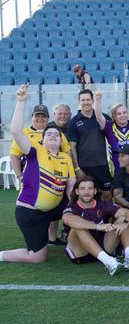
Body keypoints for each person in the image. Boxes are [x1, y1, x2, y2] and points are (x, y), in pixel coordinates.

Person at [0, 84, 75, 264]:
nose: (52, 136)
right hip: (31, 213)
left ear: (60, 139)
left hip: (51, 212)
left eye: (56, 134)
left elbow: (71, 185)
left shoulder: (65, 158)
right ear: (42, 140)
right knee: (37, 257)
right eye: (48, 134)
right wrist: (21, 101)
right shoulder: (36, 152)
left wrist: (75, 208)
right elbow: (16, 131)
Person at [9, 104, 72, 245]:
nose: (40, 119)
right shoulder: (24, 133)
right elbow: (14, 156)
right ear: (32, 117)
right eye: (37, 116)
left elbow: (67, 152)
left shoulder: (56, 132)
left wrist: (72, 171)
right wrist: (19, 176)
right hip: (34, 178)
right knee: (36, 205)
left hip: (56, 177)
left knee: (55, 205)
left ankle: (52, 237)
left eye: (43, 116)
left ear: (48, 118)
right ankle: (37, 237)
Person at [62, 177, 129, 276]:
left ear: (95, 191)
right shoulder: (72, 207)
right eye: (82, 188)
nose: (86, 192)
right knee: (77, 227)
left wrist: (124, 224)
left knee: (124, 219)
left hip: (105, 247)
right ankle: (108, 262)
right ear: (77, 191)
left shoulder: (103, 205)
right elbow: (68, 219)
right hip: (81, 254)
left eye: (90, 188)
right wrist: (97, 226)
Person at [68, 89, 112, 200]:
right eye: (83, 100)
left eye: (88, 99)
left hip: (102, 165)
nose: (86, 102)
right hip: (84, 167)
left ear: (92, 101)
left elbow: (119, 128)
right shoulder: (74, 122)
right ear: (79, 101)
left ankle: (106, 218)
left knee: (107, 194)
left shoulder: (103, 117)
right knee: (87, 196)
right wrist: (77, 168)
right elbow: (72, 147)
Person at [94, 92, 129, 172]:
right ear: (114, 116)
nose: (122, 115)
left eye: (124, 112)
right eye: (119, 114)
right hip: (119, 171)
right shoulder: (109, 127)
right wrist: (97, 100)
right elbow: (98, 116)